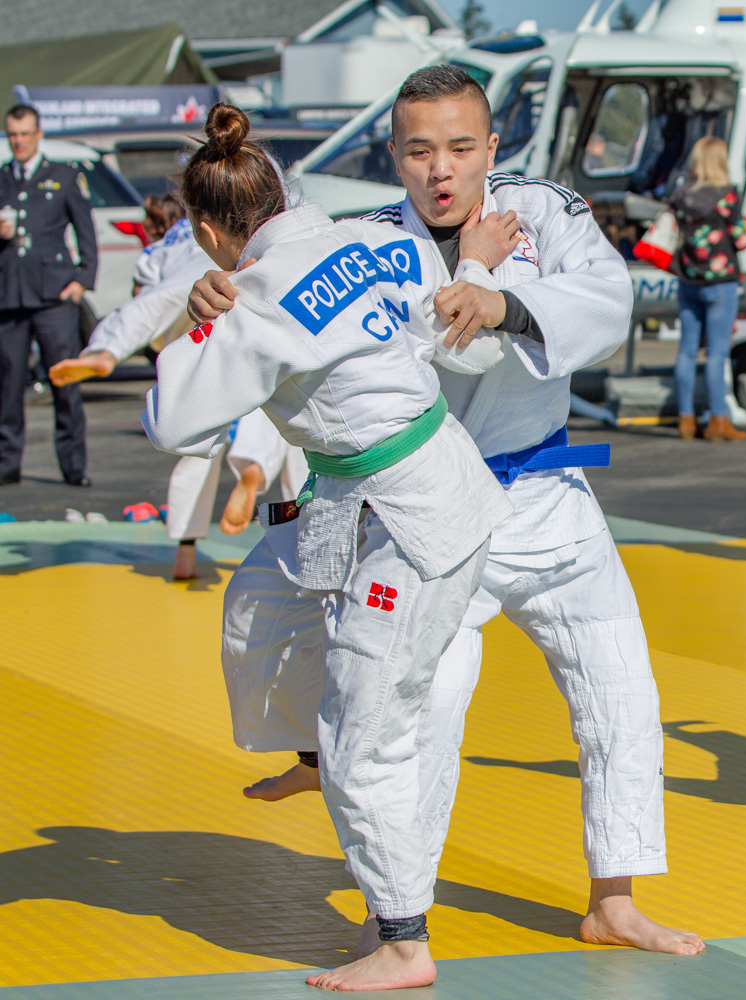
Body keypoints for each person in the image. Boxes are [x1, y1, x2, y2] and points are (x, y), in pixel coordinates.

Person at [189, 65, 702, 959]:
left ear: (491, 148)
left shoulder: (541, 212)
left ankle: (614, 899)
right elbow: (279, 306)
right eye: (420, 151)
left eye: (461, 148)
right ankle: (394, 914)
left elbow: (607, 297)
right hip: (432, 516)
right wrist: (217, 292)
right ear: (394, 155)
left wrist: (505, 299)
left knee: (620, 689)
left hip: (550, 496)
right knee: (424, 711)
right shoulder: (364, 244)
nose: (442, 169)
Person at [150, 103, 515, 991]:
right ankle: (316, 760)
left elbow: (171, 420)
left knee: (368, 733)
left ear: (207, 233)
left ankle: (402, 939)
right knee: (262, 604)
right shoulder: (364, 240)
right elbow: (435, 318)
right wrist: (471, 265)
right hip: (407, 486)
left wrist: (199, 319)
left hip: (409, 518)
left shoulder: (254, 302)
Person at [51, 193, 307, 578]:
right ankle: (256, 471)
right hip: (245, 297)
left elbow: (145, 295)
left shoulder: (163, 248)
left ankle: (106, 349)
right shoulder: (242, 227)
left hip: (190, 317)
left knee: (198, 433)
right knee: (275, 407)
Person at [0, 103, 97, 487]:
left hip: (54, 295)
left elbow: (86, 233)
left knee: (64, 381)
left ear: (38, 134)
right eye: (13, 135)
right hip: (10, 296)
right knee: (8, 386)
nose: (19, 142)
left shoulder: (63, 176)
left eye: (25, 134)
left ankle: (74, 467)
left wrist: (82, 281)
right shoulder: (2, 178)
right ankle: (7, 465)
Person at [669, 136, 746, 442]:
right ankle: (718, 419)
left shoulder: (680, 194)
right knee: (717, 352)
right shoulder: (727, 195)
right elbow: (740, 239)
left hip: (688, 278)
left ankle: (686, 419)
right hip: (720, 280)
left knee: (687, 351)